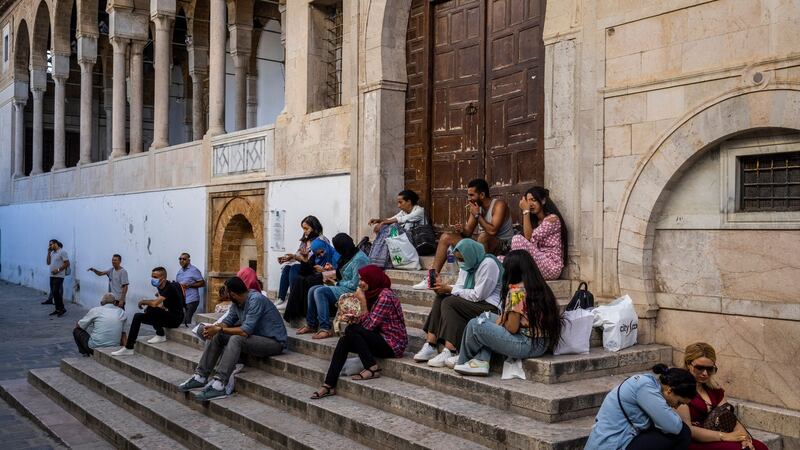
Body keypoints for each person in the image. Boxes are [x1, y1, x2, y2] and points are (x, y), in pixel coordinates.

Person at [454, 250, 562, 376]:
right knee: (485, 316)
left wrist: (502, 322)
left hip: (526, 344)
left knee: (475, 324)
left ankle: (463, 361)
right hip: (542, 343)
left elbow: (512, 328)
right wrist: (501, 320)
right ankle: (481, 361)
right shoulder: (540, 286)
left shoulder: (516, 291)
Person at [178, 276, 287, 401]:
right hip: (255, 338)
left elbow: (245, 331)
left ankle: (220, 384)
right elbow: (227, 321)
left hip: (274, 342)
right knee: (217, 334)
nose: (225, 294)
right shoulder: (237, 303)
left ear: (233, 294)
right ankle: (200, 376)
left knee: (236, 339)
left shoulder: (255, 300)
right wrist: (213, 329)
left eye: (226, 291)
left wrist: (219, 329)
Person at [311, 265, 408, 399]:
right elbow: (366, 323)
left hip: (392, 344)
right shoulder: (373, 293)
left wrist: (362, 302)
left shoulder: (385, 296)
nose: (360, 283)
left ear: (372, 279)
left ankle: (372, 368)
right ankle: (329, 384)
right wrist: (354, 318)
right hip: (378, 337)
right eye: (360, 279)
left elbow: (368, 326)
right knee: (345, 339)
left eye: (364, 279)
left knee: (351, 330)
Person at [413, 238, 504, 368]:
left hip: (491, 307)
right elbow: (460, 287)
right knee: (442, 298)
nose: (460, 263)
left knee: (450, 302)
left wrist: (450, 289)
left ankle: (450, 349)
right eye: (458, 259)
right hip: (475, 302)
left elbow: (478, 295)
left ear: (470, 254)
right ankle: (431, 344)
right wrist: (442, 288)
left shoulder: (488, 264)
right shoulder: (468, 264)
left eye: (462, 259)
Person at [413, 179, 513, 289]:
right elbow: (468, 233)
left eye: (471, 195)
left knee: (483, 237)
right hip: (483, 244)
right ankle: (431, 278)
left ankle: (477, 278)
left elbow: (492, 231)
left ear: (482, 195)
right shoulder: (476, 208)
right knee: (446, 237)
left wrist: (477, 216)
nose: (469, 199)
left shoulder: (499, 205)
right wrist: (461, 230)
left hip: (504, 245)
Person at [677, 343, 766, 450]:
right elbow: (688, 429)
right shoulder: (681, 390)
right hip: (695, 441)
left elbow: (729, 417)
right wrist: (725, 436)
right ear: (688, 365)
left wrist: (744, 438)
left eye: (710, 369)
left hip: (719, 435)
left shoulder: (715, 391)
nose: (705, 373)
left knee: (759, 447)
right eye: (699, 368)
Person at [585, 364, 696, 450]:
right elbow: (673, 427)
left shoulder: (651, 385)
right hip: (612, 444)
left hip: (626, 438)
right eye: (679, 402)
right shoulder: (645, 387)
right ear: (669, 391)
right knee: (683, 433)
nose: (676, 407)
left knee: (681, 431)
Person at [300, 233, 370, 339]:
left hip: (354, 290)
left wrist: (337, 283)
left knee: (320, 292)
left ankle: (325, 328)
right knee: (312, 289)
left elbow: (355, 284)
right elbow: (343, 274)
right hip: (343, 287)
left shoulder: (359, 259)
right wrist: (332, 271)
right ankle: (311, 324)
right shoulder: (348, 255)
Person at [111, 267, 184, 356]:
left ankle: (160, 334)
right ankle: (129, 347)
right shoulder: (160, 286)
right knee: (138, 316)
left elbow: (154, 304)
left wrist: (143, 302)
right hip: (168, 315)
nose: (153, 279)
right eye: (152, 276)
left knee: (151, 308)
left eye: (155, 277)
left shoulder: (169, 288)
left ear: (163, 279)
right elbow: (164, 304)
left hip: (175, 319)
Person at [511, 186, 567, 280]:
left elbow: (528, 238)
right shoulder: (535, 223)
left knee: (516, 239)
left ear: (543, 201)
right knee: (499, 259)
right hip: (538, 263)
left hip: (551, 267)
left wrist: (525, 211)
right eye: (528, 201)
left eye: (533, 200)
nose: (530, 204)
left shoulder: (552, 220)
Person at [283, 236, 339, 325]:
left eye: (322, 252)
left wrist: (325, 271)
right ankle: (296, 313)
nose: (320, 255)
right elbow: (305, 271)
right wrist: (305, 259)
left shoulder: (335, 255)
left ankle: (308, 316)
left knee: (311, 280)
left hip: (331, 284)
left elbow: (339, 275)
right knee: (299, 279)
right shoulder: (315, 257)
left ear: (326, 247)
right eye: (317, 254)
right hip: (317, 280)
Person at [277, 216, 326, 309]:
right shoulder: (305, 241)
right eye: (303, 229)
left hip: (315, 268)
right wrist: (288, 258)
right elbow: (299, 256)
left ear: (314, 228)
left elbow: (310, 259)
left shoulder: (320, 241)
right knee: (288, 267)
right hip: (305, 266)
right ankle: (281, 298)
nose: (305, 231)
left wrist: (295, 257)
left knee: (295, 268)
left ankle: (292, 299)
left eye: (306, 228)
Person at [176, 253, 206, 326]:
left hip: (191, 300)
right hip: (183, 300)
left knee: (186, 321)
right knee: (181, 320)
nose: (181, 260)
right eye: (180, 259)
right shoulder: (180, 271)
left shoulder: (194, 270)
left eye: (184, 259)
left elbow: (202, 283)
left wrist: (189, 285)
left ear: (189, 260)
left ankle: (186, 336)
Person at [44, 239, 70, 317]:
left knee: (56, 292)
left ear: (56, 244)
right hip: (52, 275)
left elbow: (67, 263)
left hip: (59, 276)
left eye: (51, 244)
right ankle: (57, 309)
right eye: (49, 245)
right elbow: (48, 263)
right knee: (54, 293)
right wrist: (48, 252)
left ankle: (62, 309)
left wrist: (58, 270)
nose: (50, 246)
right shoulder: (53, 253)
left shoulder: (62, 252)